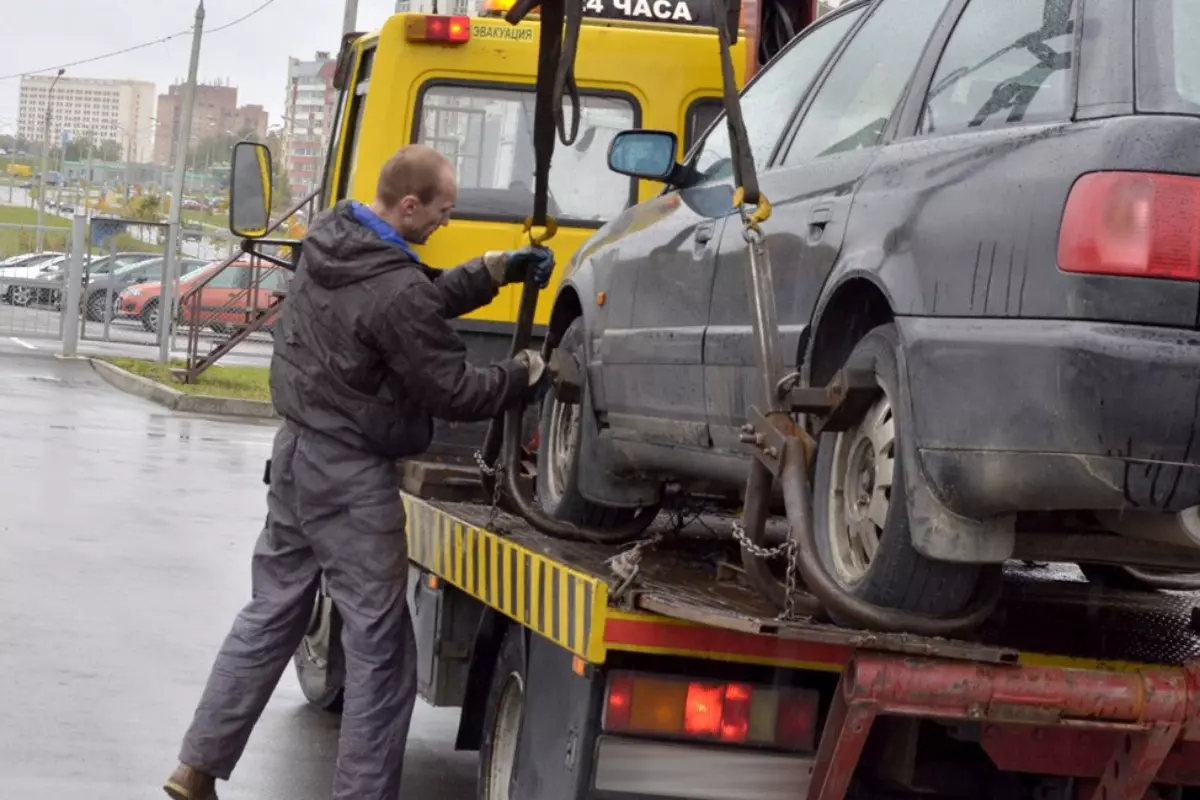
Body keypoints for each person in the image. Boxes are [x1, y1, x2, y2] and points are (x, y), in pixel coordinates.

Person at [164, 144, 554, 800]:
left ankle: (196, 766)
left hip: (293, 455)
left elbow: (412, 301)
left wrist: (492, 271)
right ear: (408, 206)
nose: (444, 224)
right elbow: (454, 390)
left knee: (270, 612)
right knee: (381, 651)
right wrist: (525, 375)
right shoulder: (391, 286)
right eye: (441, 212)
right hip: (349, 476)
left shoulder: (330, 238)